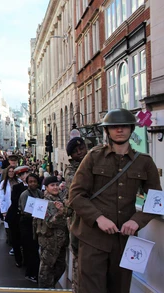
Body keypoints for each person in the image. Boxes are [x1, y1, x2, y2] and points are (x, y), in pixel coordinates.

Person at [68, 108, 162, 293]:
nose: (120, 130)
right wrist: (98, 218)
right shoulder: (93, 157)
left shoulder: (144, 162)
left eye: (124, 126)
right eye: (114, 126)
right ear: (107, 131)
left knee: (120, 289)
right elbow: (76, 195)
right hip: (92, 238)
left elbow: (156, 200)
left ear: (131, 129)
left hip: (123, 241)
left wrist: (137, 221)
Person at [35, 176, 69, 288]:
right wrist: (59, 213)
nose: (55, 187)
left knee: (60, 266)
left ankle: (50, 287)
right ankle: (45, 289)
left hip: (61, 241)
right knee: (46, 270)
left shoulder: (60, 199)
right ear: (46, 187)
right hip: (49, 242)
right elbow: (49, 222)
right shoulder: (43, 202)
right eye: (52, 185)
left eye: (56, 184)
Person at [64, 136, 88, 293]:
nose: (80, 152)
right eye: (75, 151)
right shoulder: (72, 171)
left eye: (82, 148)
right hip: (78, 217)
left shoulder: (92, 162)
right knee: (79, 256)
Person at [18, 173, 43, 283]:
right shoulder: (25, 195)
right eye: (30, 182)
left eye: (34, 181)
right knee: (31, 250)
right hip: (27, 224)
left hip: (36, 223)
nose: (33, 183)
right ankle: (30, 273)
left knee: (35, 249)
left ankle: (34, 272)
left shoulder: (39, 193)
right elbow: (26, 210)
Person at [5, 166, 30, 267]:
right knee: (16, 240)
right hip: (15, 217)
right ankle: (18, 260)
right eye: (21, 175)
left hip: (28, 218)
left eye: (25, 174)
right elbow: (15, 202)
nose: (24, 176)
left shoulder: (34, 186)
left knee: (27, 241)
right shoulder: (17, 187)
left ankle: (27, 260)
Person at [0, 165, 17, 246]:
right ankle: (10, 240)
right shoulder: (4, 183)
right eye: (9, 171)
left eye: (13, 171)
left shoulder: (18, 181)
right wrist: (3, 210)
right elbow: (1, 197)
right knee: (8, 225)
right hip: (7, 206)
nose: (11, 173)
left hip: (16, 206)